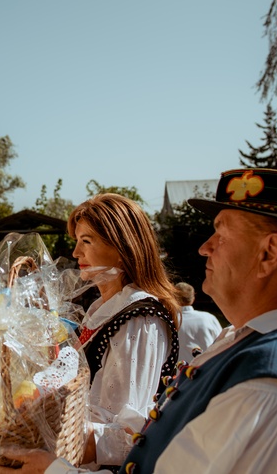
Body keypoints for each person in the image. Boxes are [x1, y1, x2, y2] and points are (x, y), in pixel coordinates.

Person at [0, 168, 277, 474]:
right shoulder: (256, 341)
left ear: (269, 253)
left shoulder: (275, 391)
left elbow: (128, 433)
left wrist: (54, 467)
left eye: (220, 234)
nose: (204, 247)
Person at [66, 193, 180, 470]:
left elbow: (127, 431)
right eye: (77, 241)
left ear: (121, 247)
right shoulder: (101, 309)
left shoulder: (139, 319)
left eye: (86, 241)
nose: (76, 253)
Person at [174, 281, 223, 362]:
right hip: (207, 368)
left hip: (177, 372)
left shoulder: (168, 321)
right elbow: (222, 343)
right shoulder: (209, 318)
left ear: (173, 298)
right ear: (193, 299)